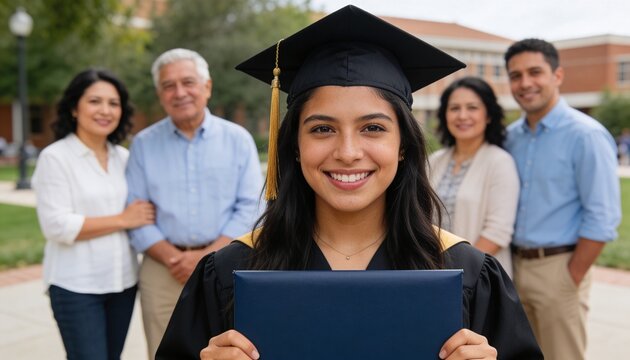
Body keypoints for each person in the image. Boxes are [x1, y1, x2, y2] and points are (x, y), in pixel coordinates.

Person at [157, 6, 542, 360]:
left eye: (372, 128)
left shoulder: (466, 272)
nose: (347, 151)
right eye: (322, 128)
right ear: (293, 146)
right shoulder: (230, 271)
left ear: (403, 146)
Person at [125, 48, 264, 358]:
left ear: (207, 87)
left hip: (226, 265)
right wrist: (176, 258)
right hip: (163, 270)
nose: (179, 92)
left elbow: (250, 206)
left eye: (188, 82)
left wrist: (206, 258)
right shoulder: (143, 144)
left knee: (231, 349)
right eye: (168, 85)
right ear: (160, 94)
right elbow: (137, 214)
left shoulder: (238, 139)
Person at [504, 38, 621, 360]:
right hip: (513, 267)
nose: (525, 83)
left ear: (557, 75)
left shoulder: (586, 135)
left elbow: (603, 216)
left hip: (559, 269)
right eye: (516, 75)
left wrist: (572, 277)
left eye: (535, 72)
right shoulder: (510, 138)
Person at [32, 69, 155, 360]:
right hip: (76, 286)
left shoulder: (123, 158)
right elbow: (57, 226)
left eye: (113, 103)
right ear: (75, 108)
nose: (105, 110)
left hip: (123, 282)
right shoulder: (55, 157)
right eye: (95, 101)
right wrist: (123, 220)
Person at [429, 76, 519, 277]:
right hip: (431, 272)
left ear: (488, 115)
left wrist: (460, 273)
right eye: (454, 108)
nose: (462, 116)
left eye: (472, 108)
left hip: (478, 277)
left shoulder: (500, 162)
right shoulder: (435, 161)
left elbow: (497, 232)